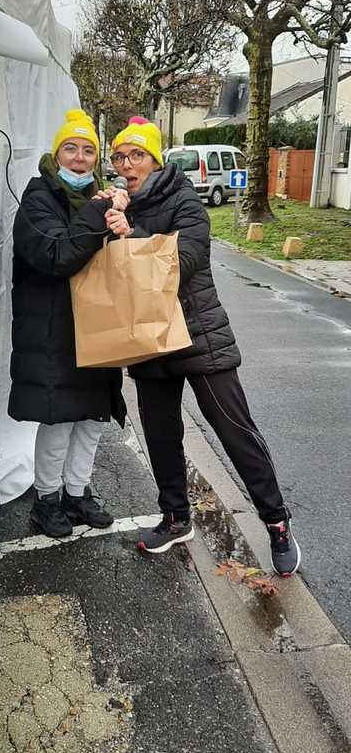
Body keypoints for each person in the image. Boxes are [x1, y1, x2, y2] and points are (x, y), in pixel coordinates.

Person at [104, 116, 301, 577]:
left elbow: (184, 260)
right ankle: (175, 518)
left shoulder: (185, 200)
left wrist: (130, 234)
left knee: (234, 430)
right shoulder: (118, 204)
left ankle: (276, 522)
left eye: (137, 155)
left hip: (198, 333)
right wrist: (103, 219)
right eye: (119, 156)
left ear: (155, 161)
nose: (127, 164)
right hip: (148, 337)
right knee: (161, 435)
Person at [8, 108, 128, 539]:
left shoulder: (100, 199)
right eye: (71, 148)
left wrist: (122, 227)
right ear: (56, 153)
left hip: (96, 327)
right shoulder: (38, 199)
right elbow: (58, 255)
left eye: (88, 150)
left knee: (92, 417)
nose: (79, 158)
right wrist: (99, 214)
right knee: (59, 419)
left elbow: (112, 261)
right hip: (53, 330)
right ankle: (47, 500)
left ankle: (78, 493)